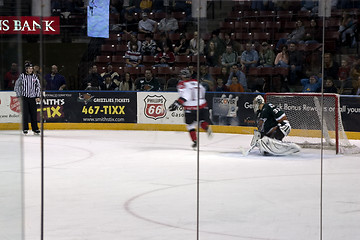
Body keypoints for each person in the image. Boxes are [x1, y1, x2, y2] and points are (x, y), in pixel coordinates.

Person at [168, 68, 212, 148]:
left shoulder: (182, 84)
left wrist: (177, 104)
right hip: (202, 105)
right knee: (200, 120)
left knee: (190, 125)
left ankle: (195, 140)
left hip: (190, 107)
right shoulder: (196, 82)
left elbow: (185, 96)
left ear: (182, 76)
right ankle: (205, 126)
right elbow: (203, 91)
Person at [14, 62, 41, 135]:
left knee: (34, 114)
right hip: (25, 98)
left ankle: (35, 128)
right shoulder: (22, 76)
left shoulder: (35, 77)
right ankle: (25, 128)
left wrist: (38, 96)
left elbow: (38, 86)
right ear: (26, 69)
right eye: (29, 68)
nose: (30, 69)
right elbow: (17, 86)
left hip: (32, 98)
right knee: (25, 114)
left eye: (31, 68)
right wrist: (19, 96)